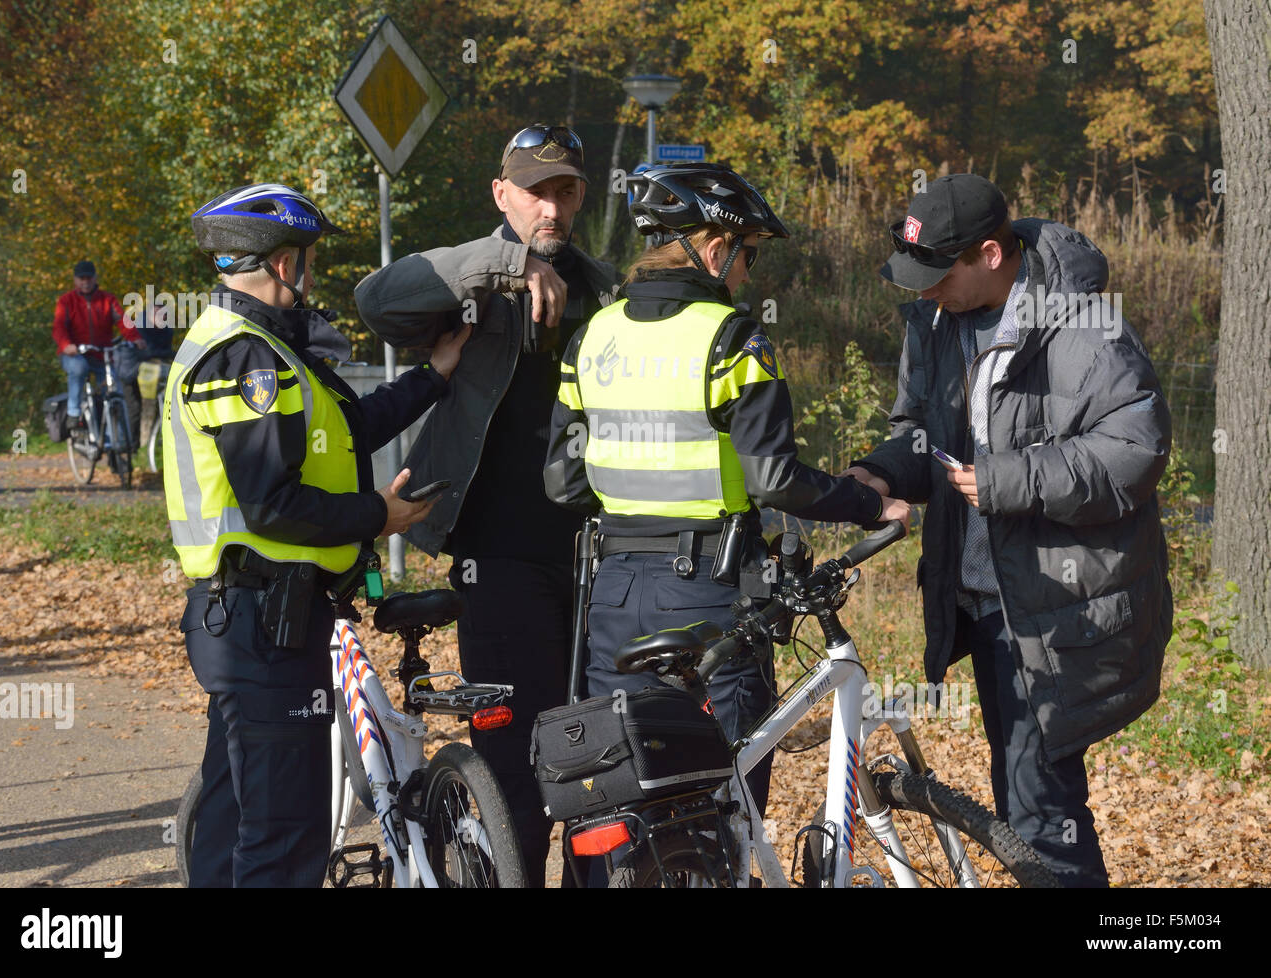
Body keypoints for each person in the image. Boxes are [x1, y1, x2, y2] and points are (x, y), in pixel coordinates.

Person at [543, 162, 911, 820]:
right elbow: (775, 479)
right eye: (747, 257)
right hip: (710, 592)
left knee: (622, 791)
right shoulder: (734, 343)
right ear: (713, 250)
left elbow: (564, 483)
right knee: (723, 801)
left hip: (614, 592)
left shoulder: (589, 341)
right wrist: (870, 504)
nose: (746, 275)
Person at [841, 173, 1172, 887]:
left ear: (991, 254)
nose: (923, 291)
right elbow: (919, 435)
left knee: (1038, 814)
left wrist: (1008, 479)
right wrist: (883, 472)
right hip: (985, 604)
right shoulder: (932, 323)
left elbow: (1136, 451)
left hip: (1057, 609)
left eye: (937, 274)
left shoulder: (1086, 327)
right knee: (1027, 799)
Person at [165, 183, 471, 887]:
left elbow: (347, 430)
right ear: (279, 264)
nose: (309, 275)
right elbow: (272, 504)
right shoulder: (246, 362)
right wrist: (377, 517)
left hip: (263, 618)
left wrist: (433, 378)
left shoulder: (270, 351)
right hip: (263, 621)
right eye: (304, 259)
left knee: (231, 819)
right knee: (283, 841)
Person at [354, 125, 620, 887]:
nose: (552, 205)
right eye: (536, 190)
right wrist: (509, 263)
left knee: (596, 760)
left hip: (594, 557)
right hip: (496, 557)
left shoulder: (603, 293)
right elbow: (376, 298)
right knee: (510, 767)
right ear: (502, 194)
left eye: (566, 190)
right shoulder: (465, 282)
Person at [52, 260, 143, 433]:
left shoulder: (107, 300)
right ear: (75, 280)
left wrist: (135, 338)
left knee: (114, 388)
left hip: (101, 355)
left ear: (95, 278)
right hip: (74, 354)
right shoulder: (66, 301)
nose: (85, 281)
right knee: (79, 368)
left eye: (89, 278)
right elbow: (58, 328)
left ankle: (116, 441)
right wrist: (66, 345)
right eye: (81, 278)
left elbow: (123, 321)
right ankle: (73, 412)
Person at [117, 298, 174, 445]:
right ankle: (131, 444)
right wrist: (161, 353)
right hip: (129, 372)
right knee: (133, 409)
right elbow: (147, 352)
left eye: (163, 314)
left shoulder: (167, 329)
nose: (160, 317)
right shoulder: (139, 327)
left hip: (148, 371)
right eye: (156, 313)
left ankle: (144, 442)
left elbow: (164, 351)